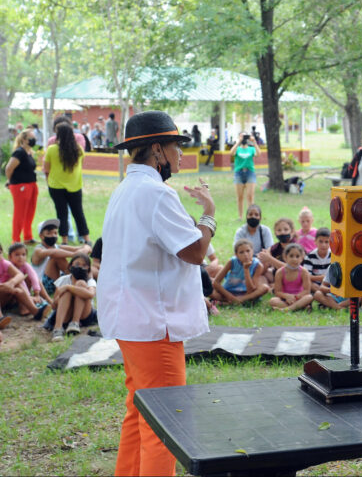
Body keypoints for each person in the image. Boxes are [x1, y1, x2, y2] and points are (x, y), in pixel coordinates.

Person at [97, 110, 216, 476]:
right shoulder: (156, 193)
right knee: (164, 425)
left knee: (139, 413)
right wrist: (209, 214)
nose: (181, 153)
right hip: (153, 324)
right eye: (174, 146)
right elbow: (195, 251)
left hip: (131, 319)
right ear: (156, 151)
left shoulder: (125, 189)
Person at [44, 123, 92, 245]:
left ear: (58, 135)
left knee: (62, 214)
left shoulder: (52, 149)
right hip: (75, 186)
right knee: (78, 212)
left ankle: (64, 241)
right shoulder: (79, 150)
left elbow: (46, 168)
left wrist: (48, 181)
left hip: (55, 186)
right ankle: (86, 239)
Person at [31, 219, 88, 298]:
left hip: (59, 280)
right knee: (56, 257)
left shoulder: (57, 247)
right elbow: (53, 252)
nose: (53, 236)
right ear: (41, 236)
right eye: (49, 233)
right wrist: (74, 254)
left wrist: (84, 249)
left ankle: (79, 280)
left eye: (55, 233)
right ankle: (78, 280)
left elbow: (85, 247)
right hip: (42, 285)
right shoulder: (38, 250)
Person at [50, 253, 97, 342]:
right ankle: (58, 328)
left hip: (84, 315)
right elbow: (54, 305)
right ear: (70, 265)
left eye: (84, 265)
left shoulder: (90, 281)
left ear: (88, 269)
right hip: (66, 314)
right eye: (77, 264)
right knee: (67, 292)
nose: (80, 267)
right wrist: (63, 293)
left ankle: (75, 323)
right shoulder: (63, 280)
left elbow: (91, 294)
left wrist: (69, 287)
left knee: (80, 284)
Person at [5, 129, 39, 244]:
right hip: (20, 186)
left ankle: (28, 237)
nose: (33, 140)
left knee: (30, 212)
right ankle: (16, 239)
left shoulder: (29, 152)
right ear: (24, 140)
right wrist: (9, 181)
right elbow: (9, 168)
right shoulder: (19, 152)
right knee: (20, 213)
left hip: (31, 184)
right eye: (31, 138)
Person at [211, 239, 269, 305]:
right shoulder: (232, 262)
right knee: (212, 292)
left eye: (248, 251)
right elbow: (216, 282)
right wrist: (231, 297)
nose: (246, 254)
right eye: (241, 252)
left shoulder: (258, 265)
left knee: (265, 288)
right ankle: (236, 301)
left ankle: (235, 301)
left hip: (246, 293)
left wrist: (246, 270)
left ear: (252, 251)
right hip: (229, 291)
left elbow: (251, 290)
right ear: (236, 255)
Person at [0, 242, 45, 319]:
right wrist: (7, 287)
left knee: (16, 283)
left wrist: (11, 283)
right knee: (15, 287)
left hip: (6, 296)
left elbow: (20, 275)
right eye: (17, 255)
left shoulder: (4, 263)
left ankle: (35, 311)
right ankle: (0, 318)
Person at [7, 242, 52, 313]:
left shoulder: (25, 265)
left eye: (23, 255)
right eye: (17, 255)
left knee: (36, 280)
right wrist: (27, 296)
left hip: (22, 292)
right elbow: (19, 282)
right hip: (10, 294)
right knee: (17, 280)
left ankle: (48, 300)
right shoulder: (9, 266)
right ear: (10, 257)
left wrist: (36, 293)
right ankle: (26, 306)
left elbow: (33, 277)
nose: (20, 257)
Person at [268, 243, 313, 311]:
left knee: (309, 297)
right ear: (285, 257)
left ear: (302, 258)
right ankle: (298, 307)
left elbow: (307, 291)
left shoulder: (304, 272)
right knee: (273, 301)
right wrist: (287, 296)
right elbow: (277, 292)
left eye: (297, 256)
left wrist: (296, 297)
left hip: (299, 298)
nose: (294, 259)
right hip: (285, 299)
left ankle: (286, 309)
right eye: (291, 256)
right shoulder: (280, 272)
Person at [231, 132, 260, 219]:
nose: (244, 139)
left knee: (250, 196)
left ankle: (250, 216)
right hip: (238, 173)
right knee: (240, 197)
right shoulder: (238, 149)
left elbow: (258, 154)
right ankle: (240, 216)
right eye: (242, 136)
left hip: (250, 173)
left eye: (245, 137)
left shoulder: (251, 149)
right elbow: (231, 153)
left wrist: (254, 142)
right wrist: (238, 142)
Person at [258, 217, 297, 282]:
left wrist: (270, 259)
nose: (282, 232)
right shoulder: (275, 248)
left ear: (292, 232)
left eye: (286, 229)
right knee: (261, 275)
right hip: (278, 276)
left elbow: (291, 269)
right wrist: (263, 259)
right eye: (279, 230)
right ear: (275, 233)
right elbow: (265, 267)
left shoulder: (296, 247)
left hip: (294, 277)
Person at [303, 227, 331, 293]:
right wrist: (322, 278)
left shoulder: (334, 256)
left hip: (330, 284)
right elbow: (306, 276)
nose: (323, 245)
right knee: (309, 284)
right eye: (320, 241)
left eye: (327, 242)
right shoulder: (310, 257)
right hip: (316, 284)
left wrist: (326, 280)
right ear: (315, 241)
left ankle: (324, 295)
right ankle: (325, 294)